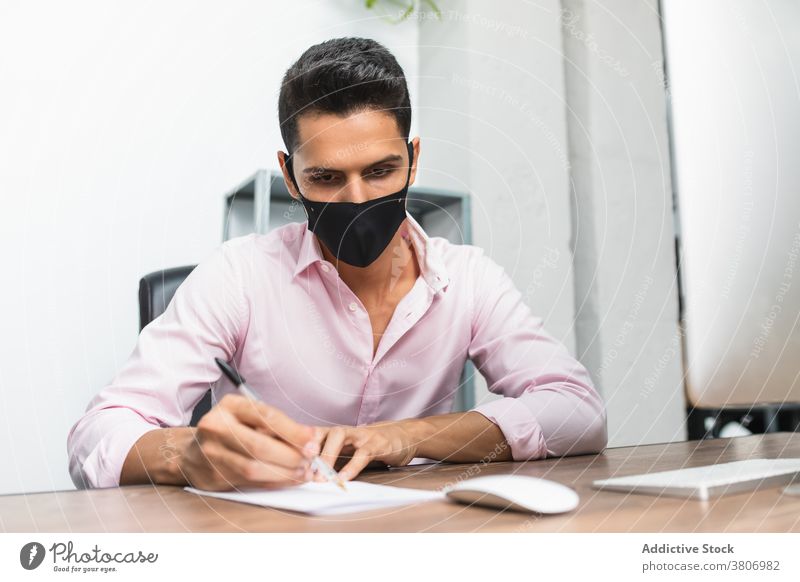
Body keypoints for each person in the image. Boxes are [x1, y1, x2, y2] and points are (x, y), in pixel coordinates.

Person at [67, 37, 607, 491]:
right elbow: (97, 434)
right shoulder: (239, 276)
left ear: (414, 159)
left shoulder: (469, 278)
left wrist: (407, 437)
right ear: (289, 173)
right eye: (326, 177)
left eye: (381, 171)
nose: (356, 199)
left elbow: (578, 410)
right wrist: (187, 453)